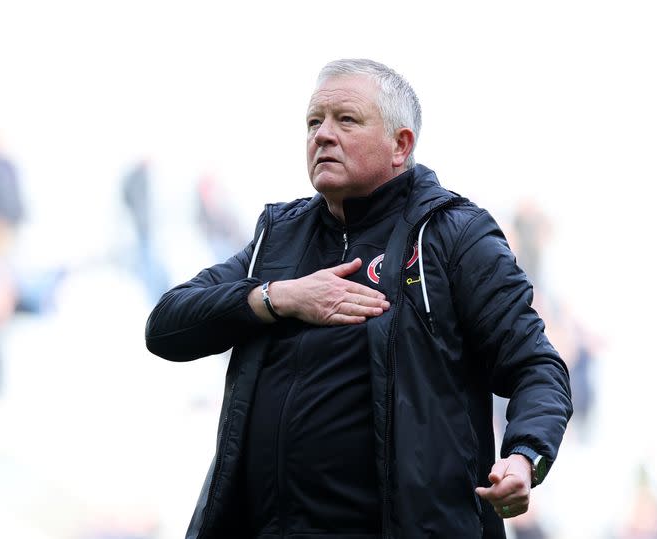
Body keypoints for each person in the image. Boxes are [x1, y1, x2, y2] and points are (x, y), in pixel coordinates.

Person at [146, 59, 572, 539]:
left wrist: (524, 456)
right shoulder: (278, 239)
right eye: (313, 121)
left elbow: (537, 366)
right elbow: (165, 326)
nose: (322, 135)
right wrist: (280, 296)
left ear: (400, 144)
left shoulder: (454, 235)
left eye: (345, 120)